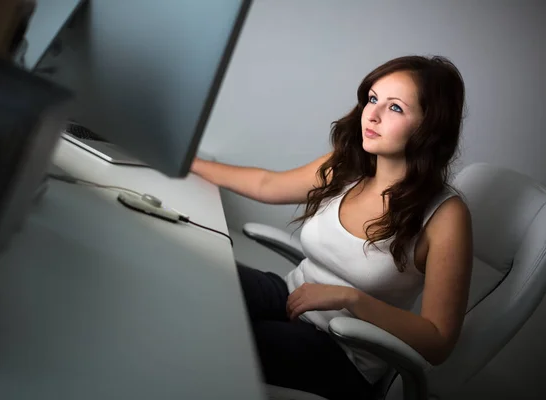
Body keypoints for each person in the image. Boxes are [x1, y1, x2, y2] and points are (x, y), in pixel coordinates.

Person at [191, 55, 473, 400]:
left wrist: (350, 298)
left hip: (343, 353)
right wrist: (188, 162)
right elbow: (267, 184)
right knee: (192, 277)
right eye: (372, 99)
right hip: (290, 295)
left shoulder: (446, 216)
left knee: (213, 331)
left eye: (395, 108)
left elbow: (438, 340)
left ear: (430, 126)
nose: (373, 114)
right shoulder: (350, 165)